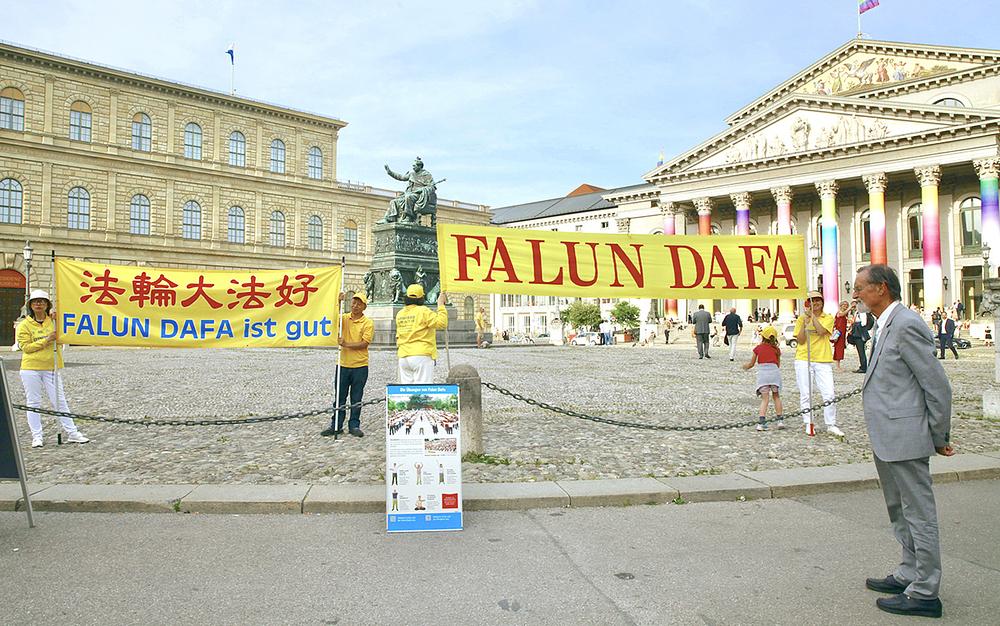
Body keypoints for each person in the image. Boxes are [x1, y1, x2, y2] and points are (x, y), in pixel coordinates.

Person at [853, 265, 952, 619]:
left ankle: (926, 591)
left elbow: (936, 384)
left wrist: (939, 435)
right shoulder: (885, 325)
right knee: (899, 510)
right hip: (889, 436)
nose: (856, 294)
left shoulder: (907, 324)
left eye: (861, 288)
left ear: (882, 288)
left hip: (906, 436)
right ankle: (910, 571)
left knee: (918, 513)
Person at [16, 290, 89, 448]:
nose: (39, 304)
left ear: (47, 304)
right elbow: (27, 348)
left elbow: (63, 337)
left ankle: (72, 433)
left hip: (51, 367)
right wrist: (46, 340)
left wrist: (58, 322)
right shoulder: (24, 325)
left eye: (42, 301)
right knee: (33, 402)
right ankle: (37, 436)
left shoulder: (54, 321)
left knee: (59, 401)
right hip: (31, 368)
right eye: (36, 302)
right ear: (30, 305)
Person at [321, 291, 374, 438]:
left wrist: (346, 344)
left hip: (360, 366)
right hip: (343, 364)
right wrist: (338, 303)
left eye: (359, 303)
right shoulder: (344, 319)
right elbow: (332, 319)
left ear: (364, 307)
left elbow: (364, 343)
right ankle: (336, 425)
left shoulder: (368, 323)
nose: (355, 305)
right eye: (354, 302)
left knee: (356, 398)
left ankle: (354, 425)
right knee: (339, 397)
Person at [793, 291, 844, 438]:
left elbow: (822, 331)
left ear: (822, 302)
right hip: (804, 358)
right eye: (812, 301)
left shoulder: (827, 317)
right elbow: (801, 340)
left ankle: (831, 424)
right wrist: (804, 321)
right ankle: (808, 422)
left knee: (829, 393)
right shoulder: (802, 319)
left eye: (817, 301)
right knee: (806, 393)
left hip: (822, 358)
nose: (815, 303)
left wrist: (813, 317)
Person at [395, 284, 448, 383]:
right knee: (423, 391)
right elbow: (442, 323)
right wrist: (441, 305)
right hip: (421, 355)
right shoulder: (423, 311)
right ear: (421, 298)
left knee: (408, 392)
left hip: (403, 357)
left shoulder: (400, 313)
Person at [742, 325, 784, 431]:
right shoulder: (776, 349)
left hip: (763, 375)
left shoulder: (758, 348)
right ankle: (780, 421)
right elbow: (778, 364)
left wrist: (746, 366)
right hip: (774, 373)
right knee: (776, 397)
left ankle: (761, 422)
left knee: (765, 399)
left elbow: (752, 363)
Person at [378, 157, 438, 225]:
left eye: (414, 166)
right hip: (411, 193)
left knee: (408, 197)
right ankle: (389, 218)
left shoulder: (427, 175)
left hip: (419, 195)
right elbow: (401, 177)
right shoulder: (412, 174)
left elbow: (432, 187)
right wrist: (390, 172)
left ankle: (408, 216)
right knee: (394, 201)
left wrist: (423, 189)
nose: (413, 168)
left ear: (420, 166)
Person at [848, 303, 874, 373]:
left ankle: (863, 367)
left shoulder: (862, 313)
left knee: (861, 351)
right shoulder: (857, 312)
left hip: (859, 333)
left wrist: (856, 325)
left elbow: (863, 323)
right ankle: (863, 366)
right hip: (857, 332)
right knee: (860, 351)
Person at [832, 300, 849, 372]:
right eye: (844, 305)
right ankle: (837, 366)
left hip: (843, 333)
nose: (845, 306)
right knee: (838, 349)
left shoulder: (845, 314)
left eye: (846, 305)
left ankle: (838, 365)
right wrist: (850, 309)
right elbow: (841, 315)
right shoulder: (839, 312)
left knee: (841, 348)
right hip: (839, 333)